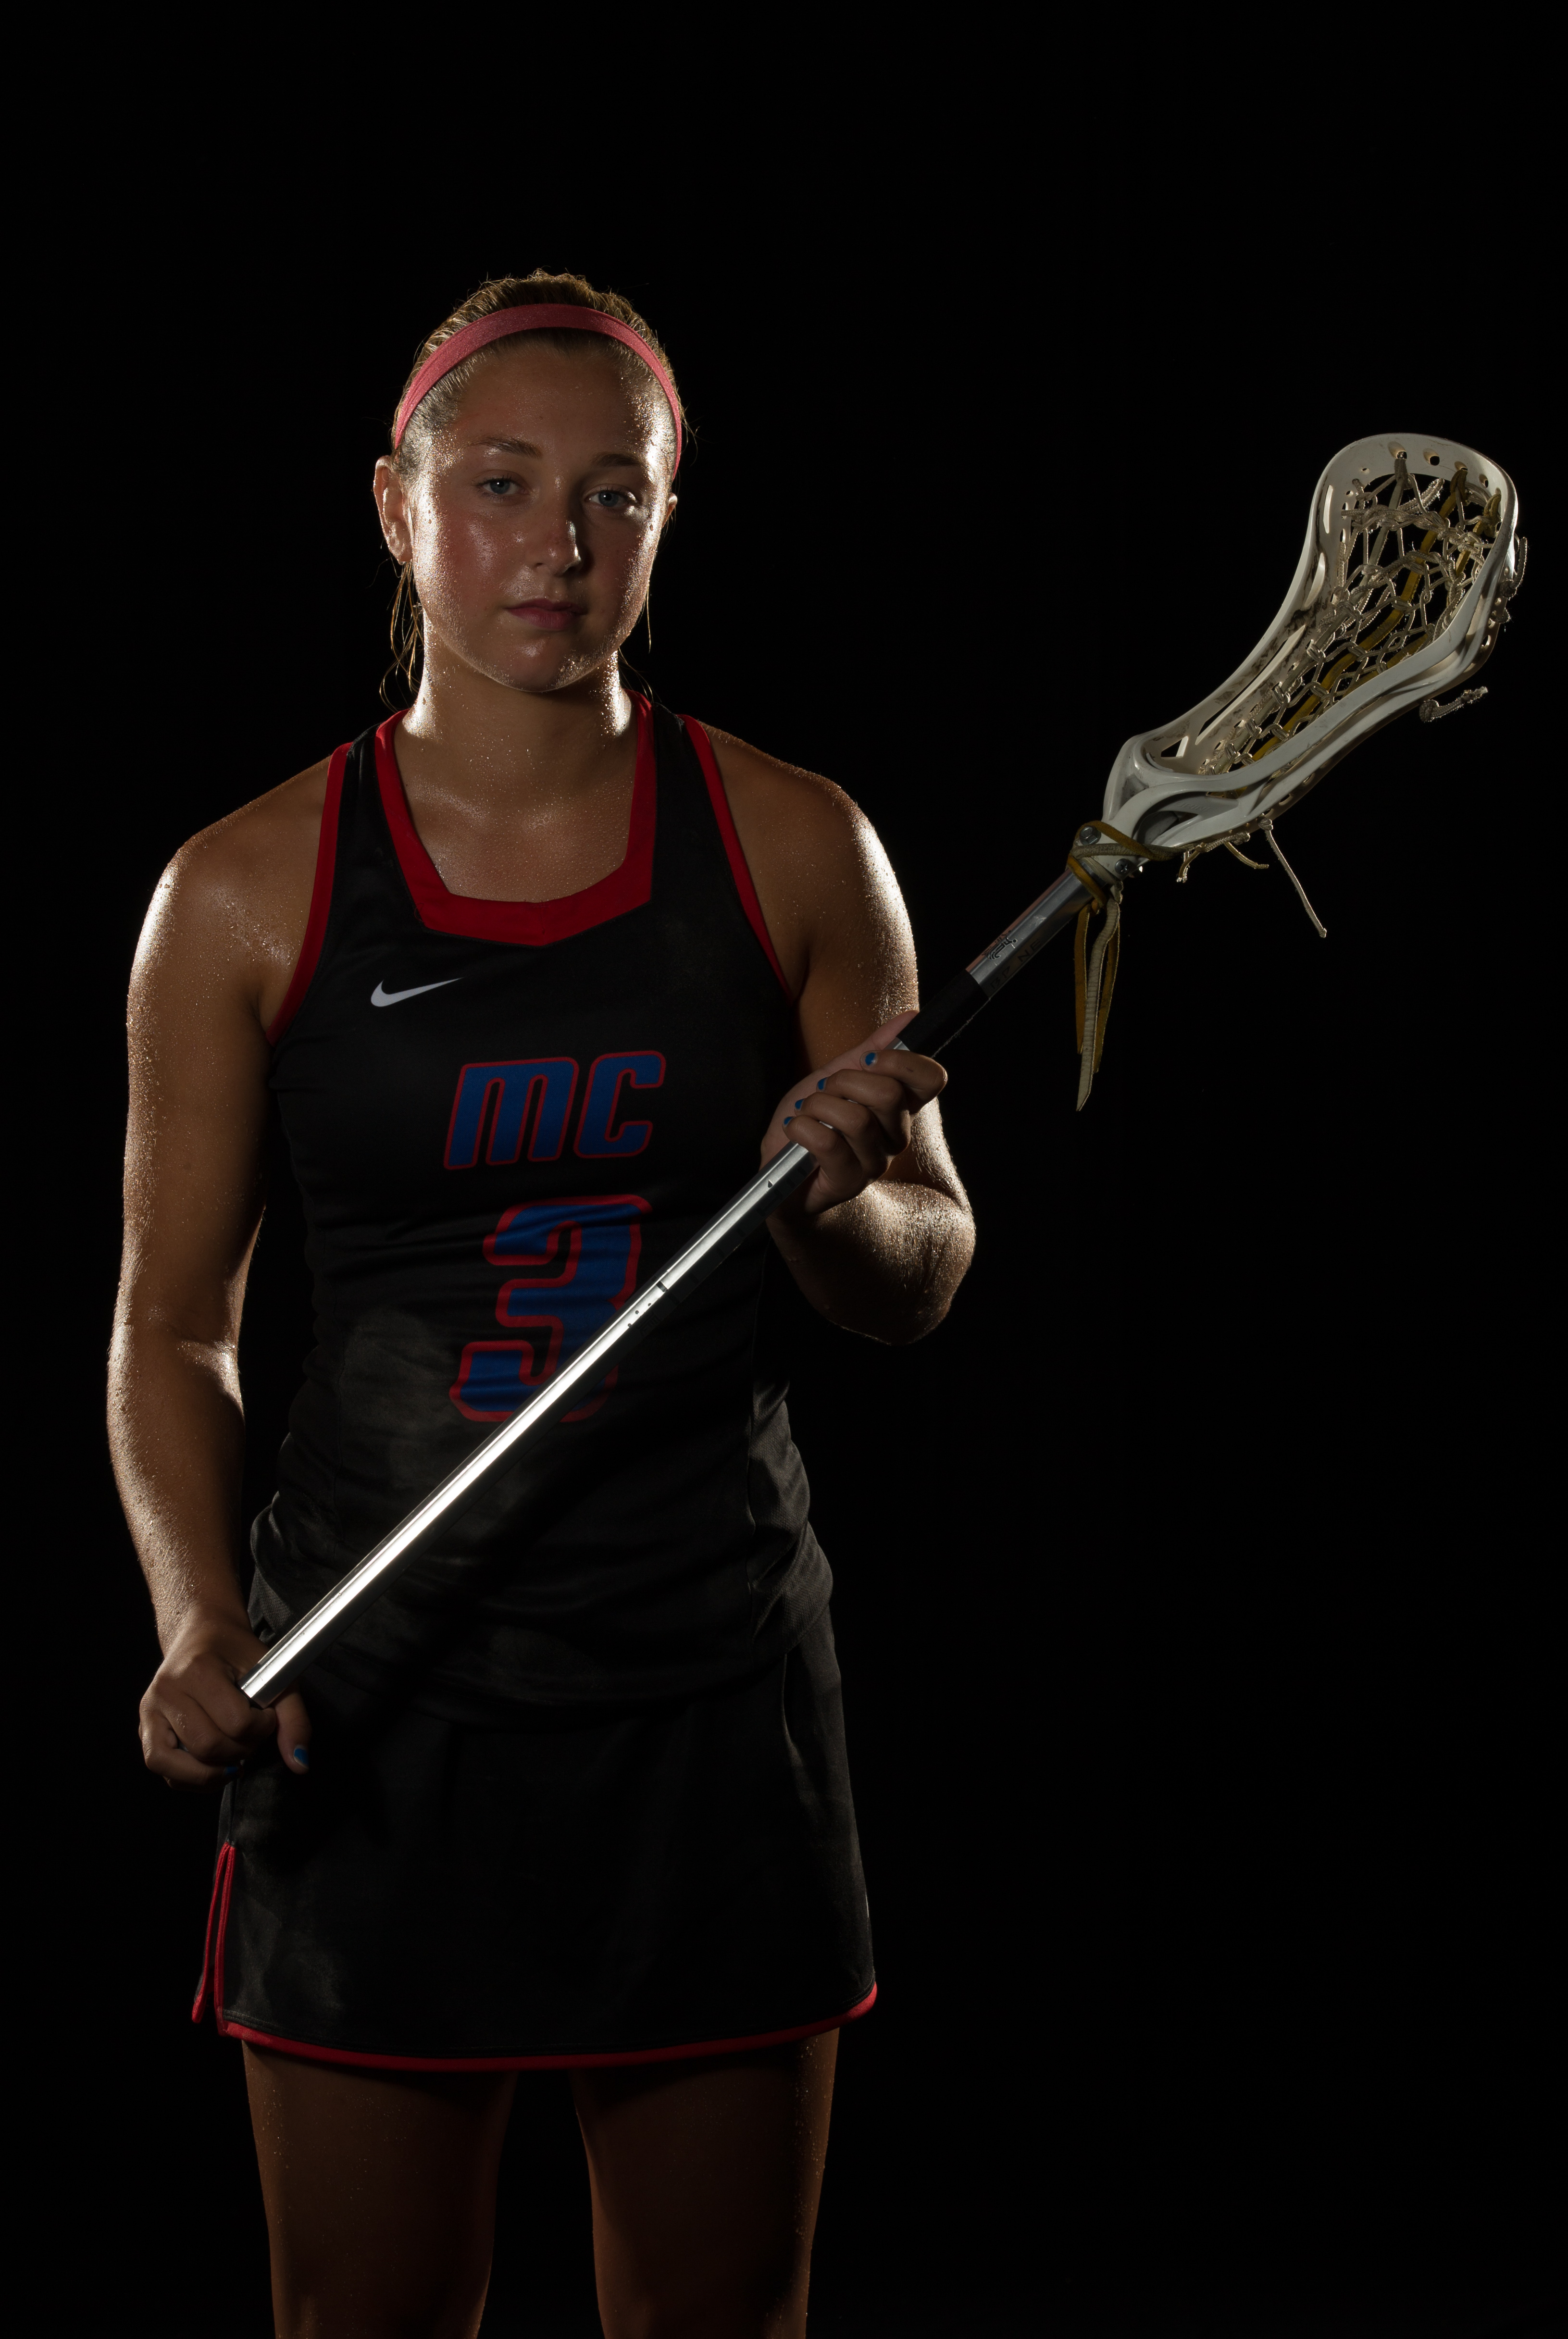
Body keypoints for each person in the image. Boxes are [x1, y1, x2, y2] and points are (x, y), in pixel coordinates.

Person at [108, 269, 975, 2339]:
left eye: (615, 495)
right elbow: (173, 1330)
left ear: (667, 517)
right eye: (501, 484)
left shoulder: (793, 844)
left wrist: (832, 1203)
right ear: (395, 506)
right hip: (369, 1709)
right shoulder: (243, 887)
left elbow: (923, 1273)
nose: (559, 548)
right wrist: (199, 1620)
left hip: (708, 1703)